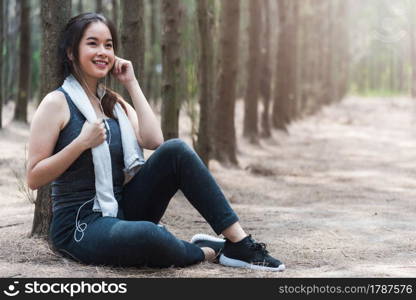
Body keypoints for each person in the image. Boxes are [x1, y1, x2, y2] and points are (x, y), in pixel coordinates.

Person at [26, 12, 285, 272]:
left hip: (120, 209)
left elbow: (154, 140)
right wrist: (80, 143)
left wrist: (131, 82)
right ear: (71, 52)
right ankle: (210, 251)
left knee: (176, 150)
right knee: (151, 236)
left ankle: (239, 243)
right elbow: (34, 177)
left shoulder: (112, 103)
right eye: (92, 43)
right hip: (80, 226)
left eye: (108, 45)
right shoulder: (57, 103)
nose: (103, 51)